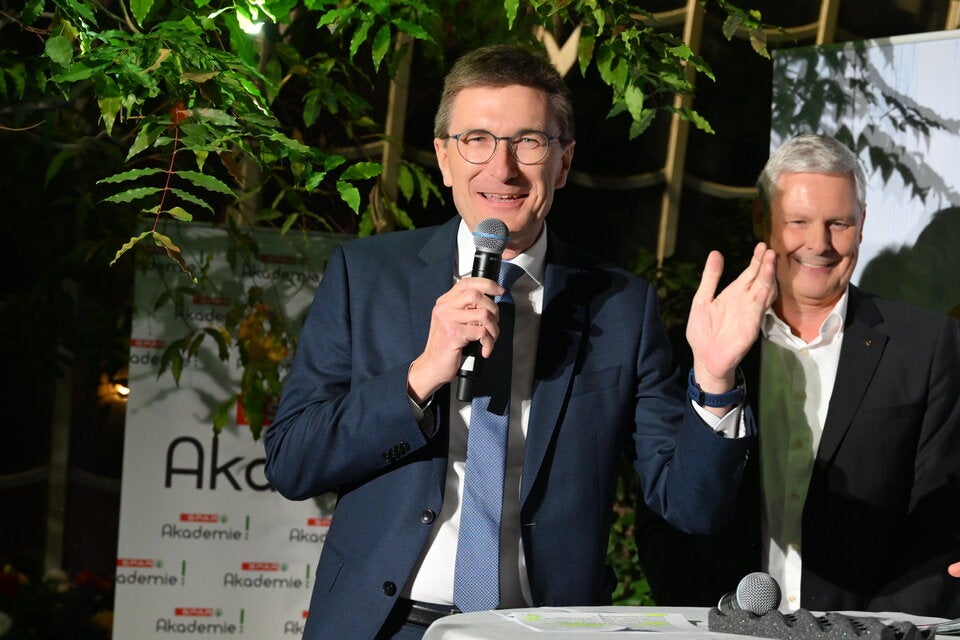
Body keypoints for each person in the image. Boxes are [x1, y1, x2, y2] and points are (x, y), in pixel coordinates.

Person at [263, 44, 776, 640]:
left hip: (546, 628)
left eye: (529, 142)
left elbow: (693, 507)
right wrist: (422, 373)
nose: (501, 169)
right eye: (476, 139)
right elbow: (293, 462)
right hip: (382, 625)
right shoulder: (365, 277)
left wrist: (713, 383)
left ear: (563, 162)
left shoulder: (620, 305)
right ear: (443, 157)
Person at [634, 133, 960, 618]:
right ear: (762, 221)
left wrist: (877, 631)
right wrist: (699, 616)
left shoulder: (928, 345)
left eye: (839, 223)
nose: (820, 244)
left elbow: (941, 518)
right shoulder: (702, 342)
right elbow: (665, 512)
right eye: (798, 222)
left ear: (863, 226)